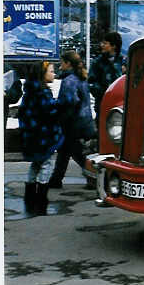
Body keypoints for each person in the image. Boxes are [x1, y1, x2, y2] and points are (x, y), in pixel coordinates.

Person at [18, 60, 64, 215]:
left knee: (35, 164)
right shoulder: (43, 92)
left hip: (32, 136)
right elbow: (49, 112)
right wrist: (60, 104)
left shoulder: (30, 91)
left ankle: (30, 193)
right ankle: (41, 194)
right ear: (42, 74)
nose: (54, 74)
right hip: (43, 136)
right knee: (46, 163)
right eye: (51, 71)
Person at [48, 51, 96, 189]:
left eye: (62, 62)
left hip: (73, 123)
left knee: (76, 152)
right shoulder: (80, 77)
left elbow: (70, 101)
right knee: (65, 150)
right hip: (83, 120)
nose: (60, 66)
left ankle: (95, 176)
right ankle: (56, 179)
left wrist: (56, 107)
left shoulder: (69, 80)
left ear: (68, 63)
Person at [88, 31, 125, 122]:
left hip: (121, 106)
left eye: (105, 43)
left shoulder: (124, 62)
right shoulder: (97, 63)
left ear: (114, 46)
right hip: (102, 104)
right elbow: (90, 83)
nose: (102, 45)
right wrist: (104, 92)